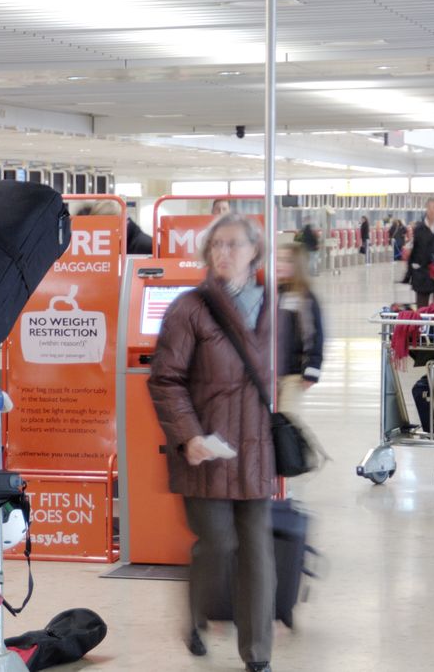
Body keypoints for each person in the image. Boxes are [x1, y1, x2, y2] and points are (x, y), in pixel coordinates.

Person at [148, 213, 275, 672]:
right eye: (216, 246)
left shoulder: (274, 308)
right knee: (218, 544)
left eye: (233, 245)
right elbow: (165, 380)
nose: (223, 253)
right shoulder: (189, 308)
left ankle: (258, 655)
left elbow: (287, 372)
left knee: (258, 551)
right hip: (205, 450)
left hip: (257, 448)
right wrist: (188, 436)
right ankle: (197, 615)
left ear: (254, 252)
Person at [277, 242, 325, 420]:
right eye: (278, 259)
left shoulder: (305, 297)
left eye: (286, 260)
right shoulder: (271, 293)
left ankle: (293, 447)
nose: (279, 264)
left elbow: (315, 335)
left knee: (288, 419)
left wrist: (312, 369)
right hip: (270, 373)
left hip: (294, 374)